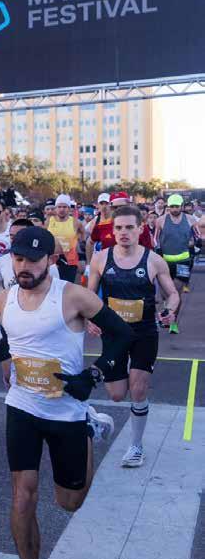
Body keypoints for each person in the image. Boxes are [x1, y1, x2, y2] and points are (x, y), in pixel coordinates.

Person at [0, 226, 134, 559]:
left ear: (51, 260)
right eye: (18, 258)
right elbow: (13, 339)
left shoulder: (74, 296)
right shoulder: (4, 297)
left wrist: (94, 374)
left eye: (33, 259)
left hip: (67, 412)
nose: (24, 266)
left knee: (69, 503)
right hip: (22, 406)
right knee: (22, 497)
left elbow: (122, 334)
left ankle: (90, 427)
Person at [87, 205, 179, 467]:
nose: (123, 232)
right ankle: (93, 418)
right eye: (118, 228)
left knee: (138, 390)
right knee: (117, 394)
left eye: (129, 227)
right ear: (113, 230)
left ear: (140, 228)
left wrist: (170, 310)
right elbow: (89, 295)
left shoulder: (154, 260)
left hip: (144, 332)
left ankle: (136, 447)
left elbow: (172, 293)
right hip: (114, 333)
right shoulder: (100, 259)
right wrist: (91, 317)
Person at [154, 194, 196, 334]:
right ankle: (167, 314)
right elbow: (155, 240)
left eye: (177, 206)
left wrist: (194, 244)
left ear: (182, 206)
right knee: (165, 295)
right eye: (172, 206)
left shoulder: (190, 219)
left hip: (183, 261)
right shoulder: (160, 220)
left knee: (176, 293)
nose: (174, 209)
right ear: (168, 206)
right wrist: (157, 254)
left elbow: (197, 236)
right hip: (165, 262)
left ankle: (173, 323)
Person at [46, 194, 84, 283]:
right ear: (56, 208)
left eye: (64, 207)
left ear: (69, 208)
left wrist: (82, 259)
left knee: (67, 287)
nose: (62, 209)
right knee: (52, 286)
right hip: (53, 259)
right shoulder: (49, 221)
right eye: (59, 207)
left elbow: (83, 239)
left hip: (70, 260)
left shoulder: (76, 222)